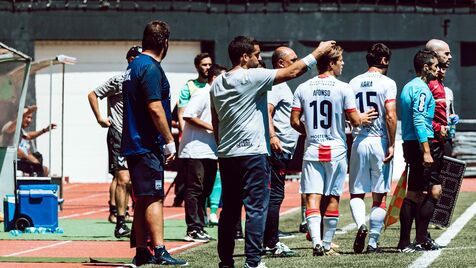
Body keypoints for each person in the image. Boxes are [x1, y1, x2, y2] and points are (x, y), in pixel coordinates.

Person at [210, 35, 335, 268]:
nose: (260, 59)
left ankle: (226, 262)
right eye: (256, 55)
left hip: (227, 154)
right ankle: (254, 261)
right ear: (244, 57)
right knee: (257, 208)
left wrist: (221, 146)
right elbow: (292, 72)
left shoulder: (217, 82)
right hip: (252, 154)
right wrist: (318, 52)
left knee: (229, 210)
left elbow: (215, 120)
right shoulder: (252, 76)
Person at [291, 45, 377, 257]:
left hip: (312, 148)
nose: (343, 63)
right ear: (331, 63)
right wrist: (363, 117)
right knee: (332, 197)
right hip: (336, 149)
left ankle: (316, 243)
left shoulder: (302, 87)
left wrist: (310, 131)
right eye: (340, 60)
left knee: (313, 196)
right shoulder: (343, 88)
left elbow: (294, 121)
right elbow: (355, 120)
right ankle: (327, 244)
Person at [121, 20, 187, 266]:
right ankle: (158, 249)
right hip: (146, 143)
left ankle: (141, 250)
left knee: (142, 199)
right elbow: (155, 107)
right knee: (154, 197)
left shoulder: (134, 65)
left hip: (136, 142)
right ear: (164, 43)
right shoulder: (150, 67)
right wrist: (170, 140)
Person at [347, 43, 397, 253]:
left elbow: (348, 114)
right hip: (379, 140)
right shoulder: (388, 82)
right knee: (380, 194)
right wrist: (393, 143)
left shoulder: (353, 82)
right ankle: (373, 242)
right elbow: (390, 115)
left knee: (357, 194)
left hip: (359, 141)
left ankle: (361, 225)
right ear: (384, 60)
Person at [87, 46, 141, 238]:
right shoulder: (118, 80)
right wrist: (100, 117)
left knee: (136, 180)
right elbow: (93, 94)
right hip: (118, 133)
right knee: (123, 179)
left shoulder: (144, 81)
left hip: (137, 136)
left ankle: (138, 221)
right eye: (139, 58)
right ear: (131, 59)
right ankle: (119, 221)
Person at [178, 65, 227, 242]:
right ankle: (193, 228)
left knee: (205, 190)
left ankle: (200, 226)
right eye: (223, 77)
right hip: (194, 150)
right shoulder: (202, 93)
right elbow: (188, 115)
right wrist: (212, 128)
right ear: (214, 78)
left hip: (210, 151)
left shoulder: (217, 96)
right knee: (195, 189)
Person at [398, 49, 439, 252]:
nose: (437, 69)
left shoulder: (407, 87)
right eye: (434, 65)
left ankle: (409, 241)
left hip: (409, 141)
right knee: (418, 193)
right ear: (425, 67)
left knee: (415, 192)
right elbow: (419, 119)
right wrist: (426, 150)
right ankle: (413, 240)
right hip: (419, 143)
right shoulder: (422, 89)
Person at [262, 46, 300, 257]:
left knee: (273, 196)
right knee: (275, 196)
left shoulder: (283, 85)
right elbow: (268, 111)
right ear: (281, 63)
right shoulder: (277, 86)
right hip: (277, 150)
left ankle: (267, 240)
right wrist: (273, 136)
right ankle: (271, 243)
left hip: (282, 149)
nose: (297, 62)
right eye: (293, 59)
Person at [173, 52, 213, 207]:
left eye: (210, 64)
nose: (208, 67)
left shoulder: (215, 85)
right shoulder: (189, 87)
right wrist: (186, 137)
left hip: (212, 143)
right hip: (193, 143)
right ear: (197, 66)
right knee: (193, 182)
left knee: (207, 183)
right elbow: (183, 114)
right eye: (204, 64)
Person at [2, 105, 56, 177]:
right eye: (27, 117)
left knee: (44, 169)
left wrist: (44, 130)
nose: (29, 120)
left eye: (31, 118)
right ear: (19, 116)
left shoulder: (20, 130)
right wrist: (28, 157)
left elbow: (29, 135)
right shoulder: (9, 125)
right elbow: (9, 130)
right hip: (9, 165)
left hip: (21, 164)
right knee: (36, 167)